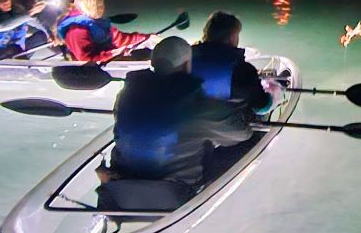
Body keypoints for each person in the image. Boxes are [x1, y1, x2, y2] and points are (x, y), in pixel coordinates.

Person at [106, 36, 255, 190]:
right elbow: (242, 133)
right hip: (177, 188)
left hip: (123, 179)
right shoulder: (199, 105)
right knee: (248, 140)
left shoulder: (126, 94)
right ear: (186, 65)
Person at [191, 11, 279, 117]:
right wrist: (274, 92)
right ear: (232, 36)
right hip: (224, 127)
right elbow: (262, 106)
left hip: (187, 123)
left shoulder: (186, 58)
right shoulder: (242, 70)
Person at [56, 0, 151, 62]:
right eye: (95, 6)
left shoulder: (99, 22)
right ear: (85, 8)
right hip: (93, 67)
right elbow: (85, 59)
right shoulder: (77, 30)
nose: (100, 9)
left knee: (149, 52)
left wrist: (147, 37)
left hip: (109, 56)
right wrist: (114, 53)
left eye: (101, 5)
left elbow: (119, 39)